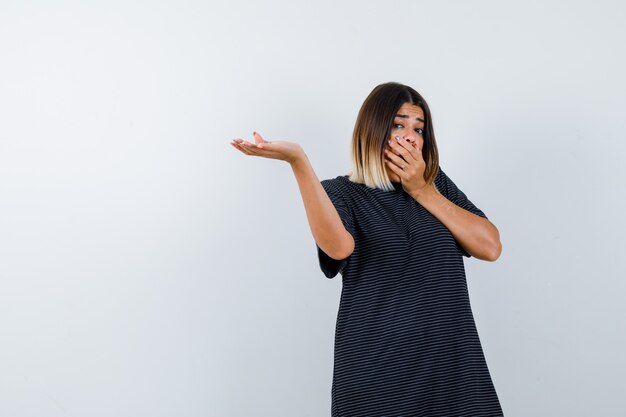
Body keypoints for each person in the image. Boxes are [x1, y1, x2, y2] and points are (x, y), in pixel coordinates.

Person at [230, 81, 504, 416]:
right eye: (399, 125)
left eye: (419, 128)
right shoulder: (341, 193)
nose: (411, 136)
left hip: (452, 373)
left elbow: (490, 246)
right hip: (379, 378)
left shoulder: (437, 186)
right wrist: (298, 161)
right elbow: (338, 247)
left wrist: (422, 190)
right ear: (373, 130)